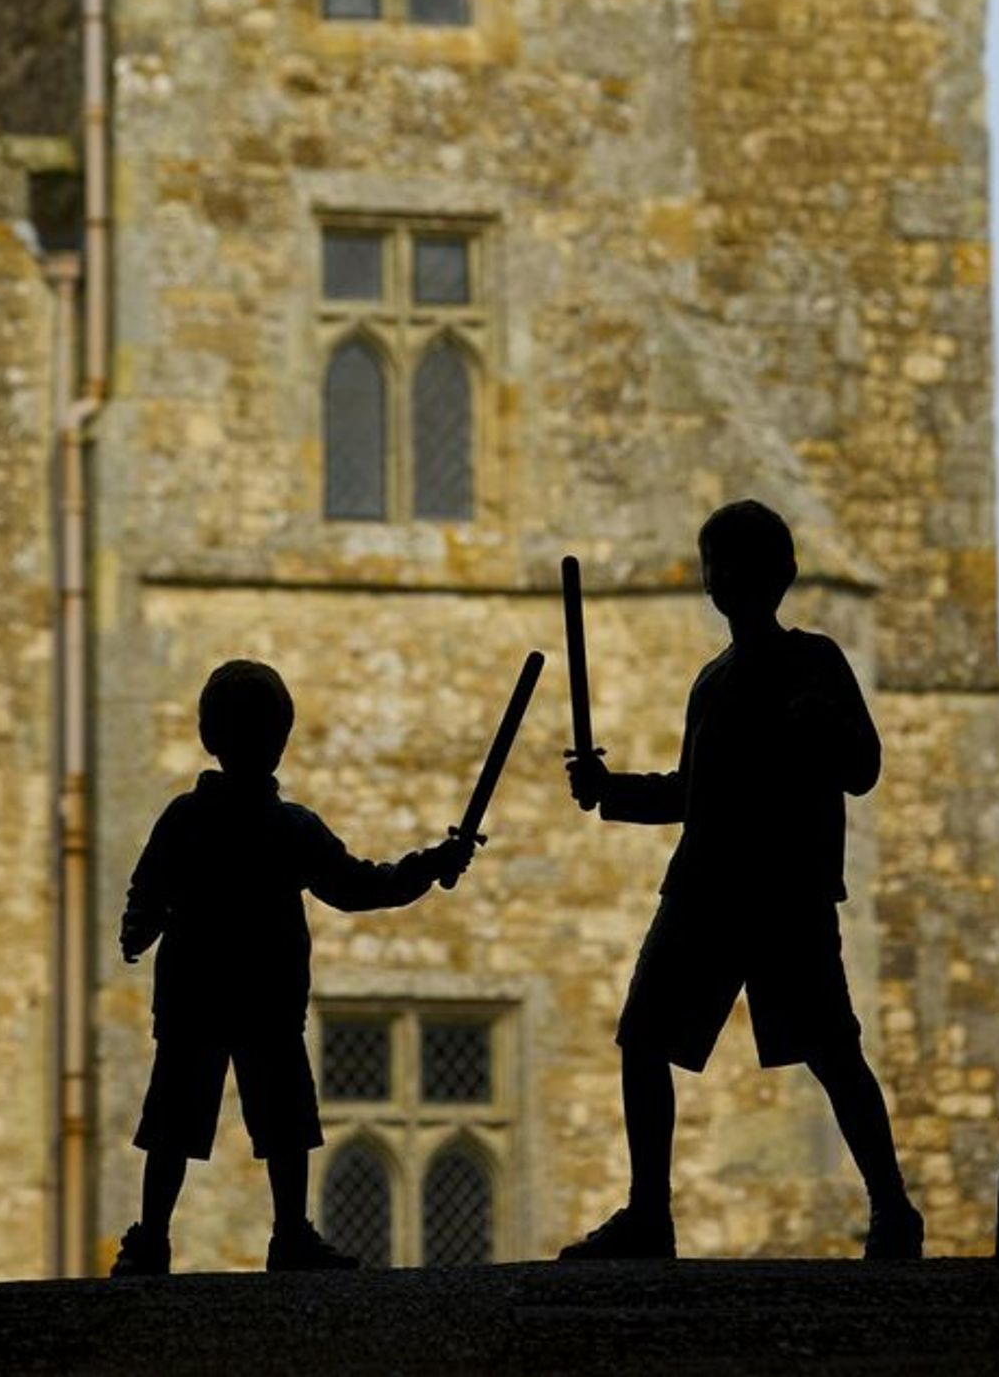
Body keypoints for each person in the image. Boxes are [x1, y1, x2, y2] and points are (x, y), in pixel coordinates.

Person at [560, 499, 924, 1262]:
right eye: (715, 562)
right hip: (705, 888)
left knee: (833, 1049)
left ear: (778, 574)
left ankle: (893, 1205)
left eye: (736, 562)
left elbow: (862, 767)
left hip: (787, 891)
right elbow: (690, 795)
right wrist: (610, 789)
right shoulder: (713, 681)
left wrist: (823, 724)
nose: (723, 576)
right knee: (643, 1039)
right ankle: (649, 1214)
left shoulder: (816, 660)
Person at [111, 657, 474, 1276]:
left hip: (200, 993)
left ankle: (155, 1239)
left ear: (208, 735)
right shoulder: (287, 828)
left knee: (186, 1119)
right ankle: (285, 1234)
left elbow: (148, 888)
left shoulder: (188, 818)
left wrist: (138, 929)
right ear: (280, 740)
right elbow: (359, 886)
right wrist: (426, 868)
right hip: (261, 995)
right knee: (272, 1120)